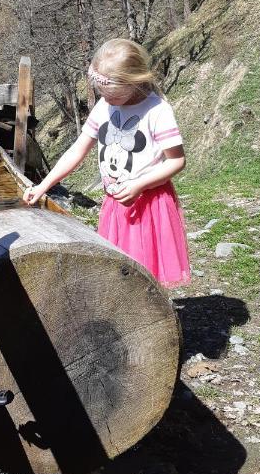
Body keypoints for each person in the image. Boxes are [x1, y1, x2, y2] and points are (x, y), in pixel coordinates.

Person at [23, 38, 190, 287]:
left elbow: (177, 161)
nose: (104, 98)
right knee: (118, 273)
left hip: (148, 205)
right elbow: (77, 150)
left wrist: (140, 185)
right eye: (102, 93)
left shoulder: (157, 111)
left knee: (143, 276)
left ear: (131, 82)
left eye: (111, 94)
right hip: (116, 204)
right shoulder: (105, 105)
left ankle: (148, 319)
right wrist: (43, 185)